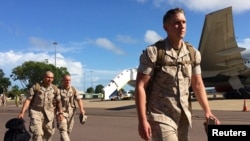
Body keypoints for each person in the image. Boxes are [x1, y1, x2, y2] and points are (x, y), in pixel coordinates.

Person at [135, 8, 220, 141]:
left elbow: (197, 84)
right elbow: (140, 86)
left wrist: (208, 111)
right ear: (166, 27)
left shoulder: (193, 54)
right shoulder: (154, 52)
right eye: (177, 23)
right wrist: (142, 120)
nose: (182, 26)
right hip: (160, 116)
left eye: (184, 22)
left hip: (183, 117)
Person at [18, 71, 63, 141]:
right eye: (48, 77)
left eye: (52, 78)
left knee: (49, 134)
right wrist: (22, 112)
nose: (50, 79)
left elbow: (59, 101)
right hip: (36, 113)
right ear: (44, 77)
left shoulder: (55, 89)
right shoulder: (36, 87)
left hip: (49, 115)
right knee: (38, 133)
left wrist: (60, 113)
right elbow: (28, 100)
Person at [57, 74, 86, 141]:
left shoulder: (73, 89)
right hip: (61, 113)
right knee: (63, 130)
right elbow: (58, 102)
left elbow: (79, 100)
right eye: (66, 80)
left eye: (69, 80)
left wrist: (82, 109)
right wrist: (59, 113)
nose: (68, 81)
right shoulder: (59, 90)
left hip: (71, 113)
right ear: (63, 80)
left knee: (67, 131)